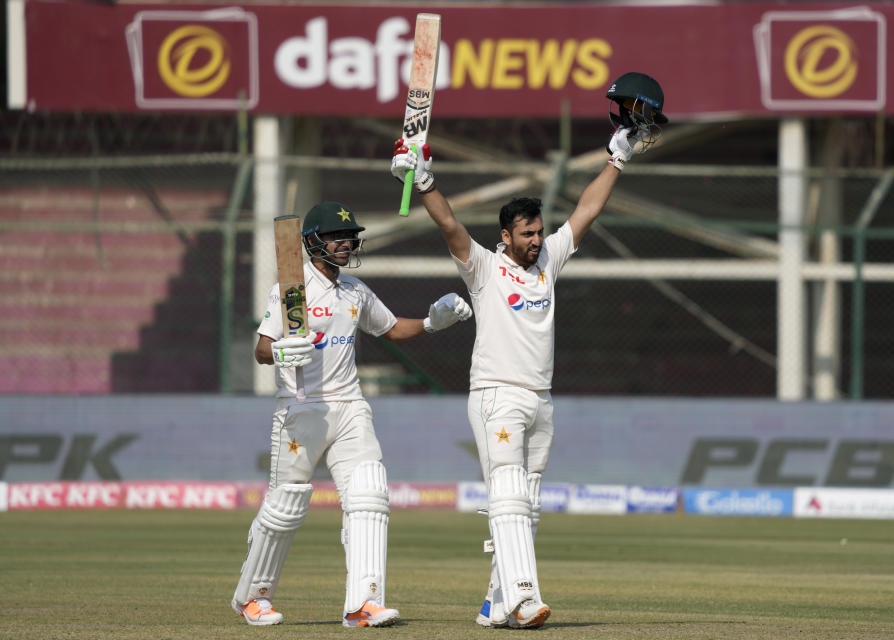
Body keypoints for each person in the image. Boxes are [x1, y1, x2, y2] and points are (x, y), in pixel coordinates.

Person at [390, 72, 667, 629]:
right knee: (510, 497)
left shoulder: (548, 265)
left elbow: (585, 213)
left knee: (528, 506)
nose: (538, 240)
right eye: (527, 234)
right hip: (496, 397)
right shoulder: (486, 269)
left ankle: (494, 604)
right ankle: (523, 597)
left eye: (540, 232)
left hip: (540, 399)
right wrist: (422, 180)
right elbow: (448, 226)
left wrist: (618, 158)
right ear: (506, 237)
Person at [230, 201, 473, 628]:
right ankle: (254, 596)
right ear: (310, 243)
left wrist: (434, 323)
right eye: (334, 237)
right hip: (301, 408)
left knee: (369, 496)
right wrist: (283, 349)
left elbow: (392, 328)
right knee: (286, 505)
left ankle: (363, 603)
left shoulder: (355, 291)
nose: (345, 243)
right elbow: (261, 349)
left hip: (350, 406)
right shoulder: (291, 289)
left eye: (348, 236)